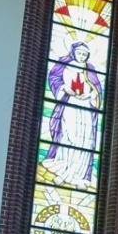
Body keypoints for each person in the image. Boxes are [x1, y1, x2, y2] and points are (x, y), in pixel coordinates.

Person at [41, 40, 103, 187]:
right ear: (73, 53)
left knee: (85, 140)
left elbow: (97, 89)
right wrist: (64, 89)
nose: (82, 56)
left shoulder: (91, 69)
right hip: (70, 105)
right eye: (79, 53)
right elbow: (54, 79)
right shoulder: (65, 65)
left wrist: (90, 96)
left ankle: (80, 175)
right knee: (69, 136)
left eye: (85, 54)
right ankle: (65, 169)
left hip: (85, 108)